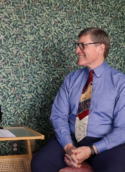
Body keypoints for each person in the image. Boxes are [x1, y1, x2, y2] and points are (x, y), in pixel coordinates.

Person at [31, 28, 125, 172]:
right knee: (40, 163)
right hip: (72, 138)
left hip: (105, 142)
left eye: (83, 45)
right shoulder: (71, 79)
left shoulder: (120, 82)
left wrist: (92, 150)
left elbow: (122, 128)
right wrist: (69, 147)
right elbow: (58, 116)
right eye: (78, 45)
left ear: (100, 48)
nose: (77, 50)